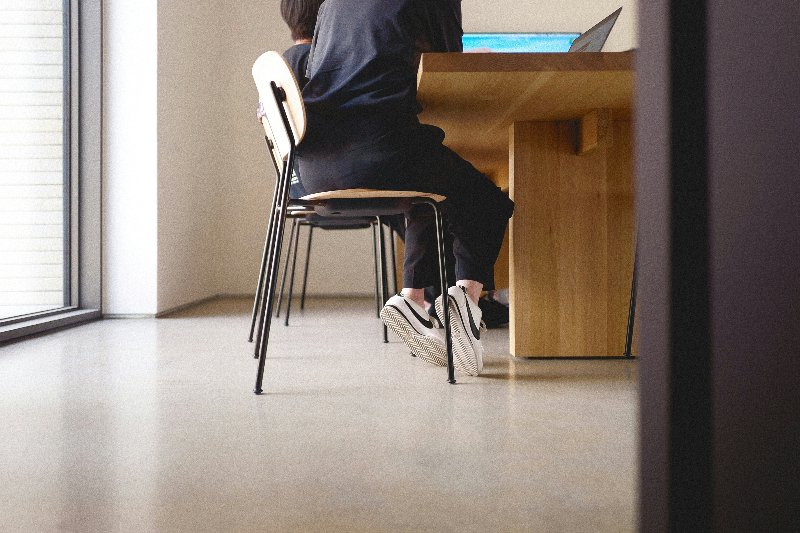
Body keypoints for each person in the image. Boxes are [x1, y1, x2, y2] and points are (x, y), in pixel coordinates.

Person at [297, 0, 514, 376]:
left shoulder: (331, 4)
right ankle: (465, 300)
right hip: (381, 152)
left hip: (316, 166)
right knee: (487, 202)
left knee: (430, 193)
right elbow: (448, 64)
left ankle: (412, 300)